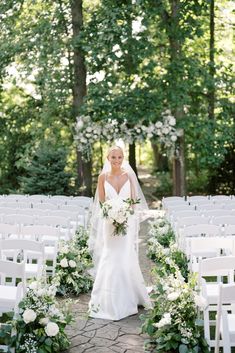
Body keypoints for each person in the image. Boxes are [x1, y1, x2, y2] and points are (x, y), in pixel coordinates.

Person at [88, 145, 151, 321]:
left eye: (120, 157)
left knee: (124, 256)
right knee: (110, 256)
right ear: (108, 158)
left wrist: (124, 216)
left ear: (123, 158)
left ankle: (128, 296)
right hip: (108, 224)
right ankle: (107, 299)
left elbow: (133, 202)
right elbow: (101, 203)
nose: (116, 160)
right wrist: (111, 216)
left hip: (126, 223)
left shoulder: (129, 175)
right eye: (113, 157)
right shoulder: (102, 177)